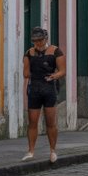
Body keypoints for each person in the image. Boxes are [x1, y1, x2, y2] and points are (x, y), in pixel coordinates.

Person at [22, 28, 65, 163]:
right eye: (35, 41)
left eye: (40, 40)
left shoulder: (56, 51)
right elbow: (25, 73)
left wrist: (54, 76)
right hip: (34, 88)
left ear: (46, 39)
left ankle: (53, 150)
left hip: (49, 88)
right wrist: (29, 69)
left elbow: (62, 71)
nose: (38, 44)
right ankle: (31, 151)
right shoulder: (29, 53)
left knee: (50, 122)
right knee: (32, 122)